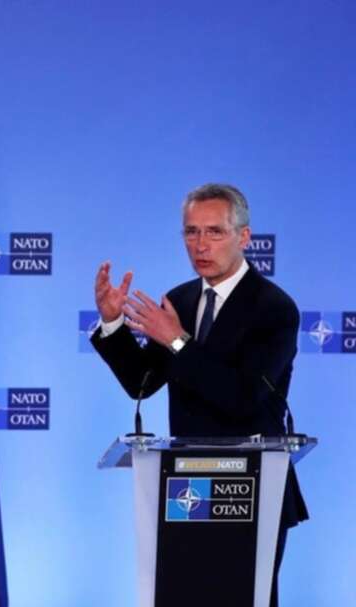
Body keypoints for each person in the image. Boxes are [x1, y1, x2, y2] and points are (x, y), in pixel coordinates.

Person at [91, 183, 307, 607]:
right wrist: (113, 324)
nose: (200, 245)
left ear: (244, 237)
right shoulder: (181, 299)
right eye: (191, 232)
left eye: (214, 232)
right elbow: (142, 382)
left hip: (251, 490)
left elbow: (244, 397)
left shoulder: (274, 308)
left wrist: (177, 343)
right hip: (186, 490)